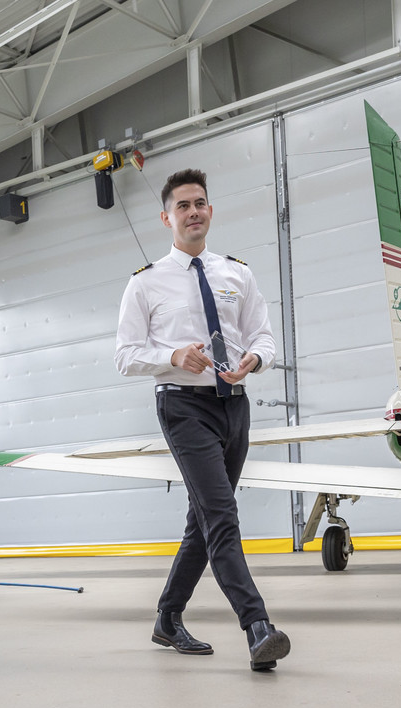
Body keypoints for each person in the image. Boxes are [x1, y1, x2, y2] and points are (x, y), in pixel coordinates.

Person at [114, 168, 293, 672]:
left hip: (234, 404)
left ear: (210, 211)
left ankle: (167, 618)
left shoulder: (237, 274)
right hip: (183, 406)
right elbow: (125, 356)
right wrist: (172, 356)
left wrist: (255, 360)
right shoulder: (145, 283)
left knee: (204, 518)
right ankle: (257, 627)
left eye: (200, 204)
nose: (193, 212)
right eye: (183, 206)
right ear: (166, 218)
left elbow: (263, 337)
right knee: (221, 514)